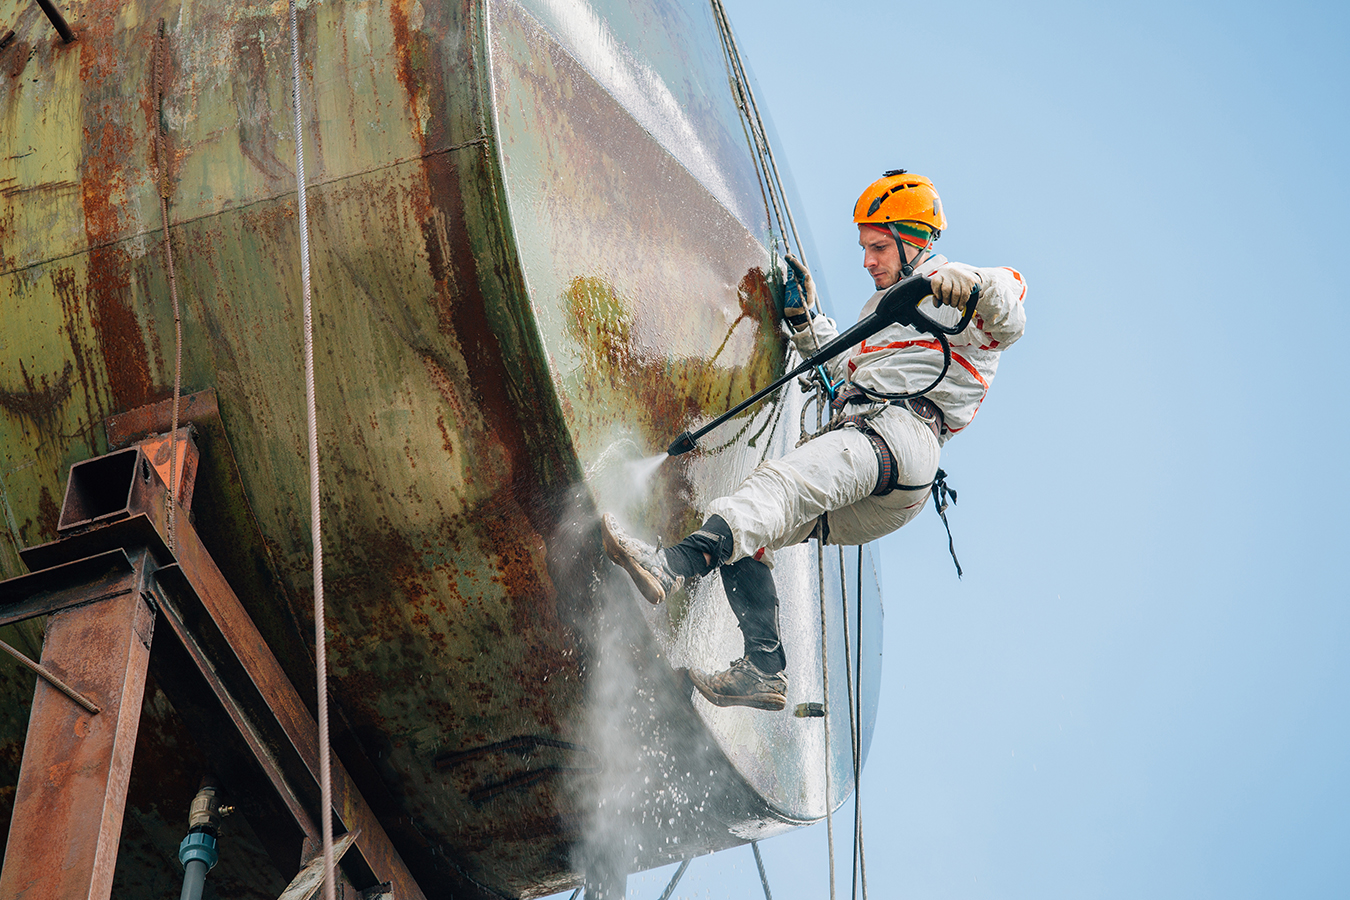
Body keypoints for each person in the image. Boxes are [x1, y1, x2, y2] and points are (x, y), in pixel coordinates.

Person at [601, 169, 1027, 711]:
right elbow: (844, 366)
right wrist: (805, 321)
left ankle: (667, 566)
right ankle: (763, 668)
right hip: (890, 473)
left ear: (914, 240)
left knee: (772, 489)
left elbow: (1011, 310)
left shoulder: (954, 288)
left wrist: (969, 286)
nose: (868, 261)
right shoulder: (884, 312)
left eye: (878, 247)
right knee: (752, 524)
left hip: (899, 436)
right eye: (863, 249)